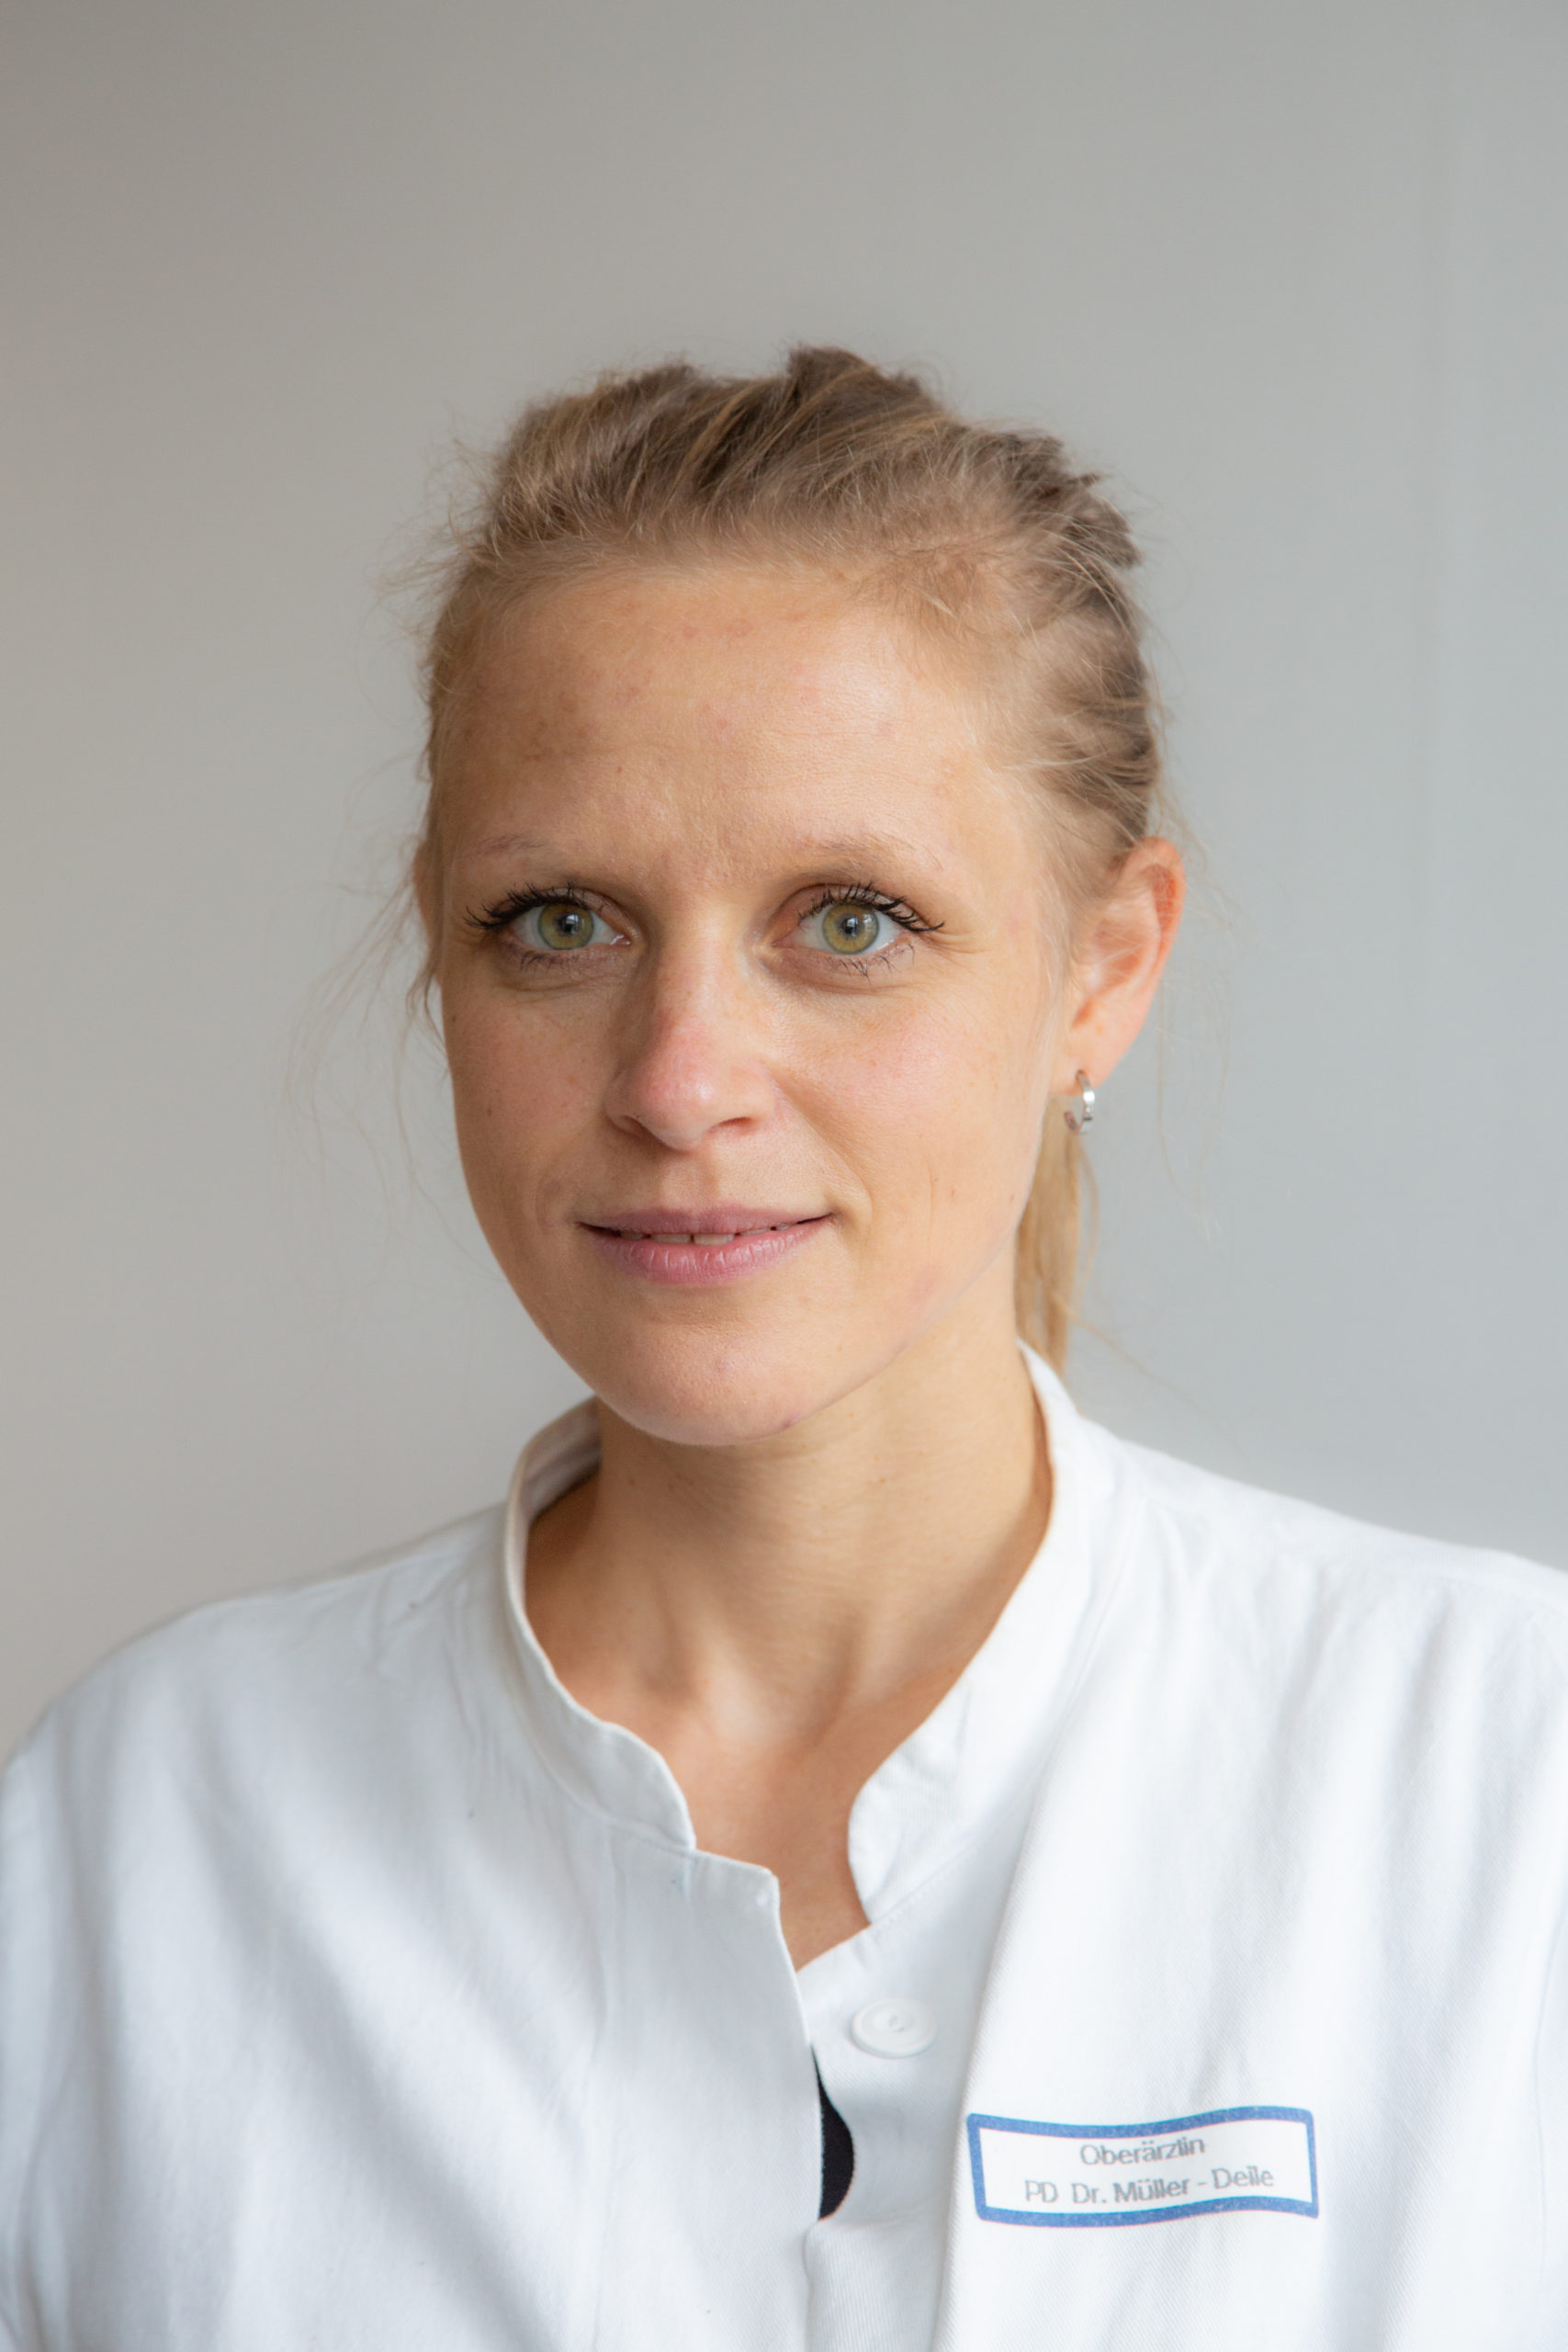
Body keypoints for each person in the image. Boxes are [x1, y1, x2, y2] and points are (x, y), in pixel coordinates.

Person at [2, 348, 1565, 2352]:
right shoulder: (136, 1832)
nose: (679, 1080)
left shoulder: (1498, 1786)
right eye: (558, 921)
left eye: (849, 922)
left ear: (1103, 971)